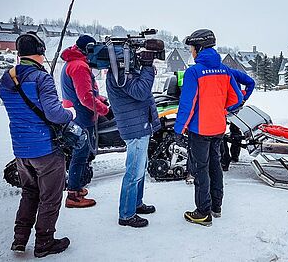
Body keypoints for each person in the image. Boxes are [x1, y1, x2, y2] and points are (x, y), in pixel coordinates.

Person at [0, 32, 73, 258]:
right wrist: (69, 112)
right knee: (50, 196)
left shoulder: (6, 79)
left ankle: (19, 240)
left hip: (21, 149)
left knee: (29, 193)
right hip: (45, 149)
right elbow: (54, 114)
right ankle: (44, 243)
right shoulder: (42, 78)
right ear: (40, 52)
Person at [174, 29, 242, 226]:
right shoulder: (225, 70)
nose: (191, 52)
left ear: (199, 48)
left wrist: (179, 130)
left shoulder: (193, 72)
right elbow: (236, 99)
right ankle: (216, 206)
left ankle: (203, 212)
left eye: (192, 48)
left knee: (200, 169)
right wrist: (219, 109)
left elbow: (187, 105)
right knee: (215, 166)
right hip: (219, 128)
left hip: (200, 130)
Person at [106, 48, 161, 228]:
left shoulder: (123, 72)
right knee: (133, 172)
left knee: (140, 168)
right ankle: (127, 215)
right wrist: (147, 68)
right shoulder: (120, 74)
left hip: (139, 125)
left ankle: (136, 203)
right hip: (135, 128)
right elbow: (141, 92)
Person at [61, 35, 109, 208]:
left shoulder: (72, 62)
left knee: (81, 154)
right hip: (82, 117)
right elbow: (85, 98)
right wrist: (105, 110)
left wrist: (100, 98)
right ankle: (73, 195)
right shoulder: (79, 66)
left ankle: (77, 187)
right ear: (88, 49)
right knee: (80, 155)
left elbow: (84, 92)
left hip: (75, 114)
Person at [221, 69, 255, 171]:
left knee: (220, 133)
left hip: (224, 106)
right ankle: (234, 156)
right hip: (235, 104)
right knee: (235, 129)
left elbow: (251, 82)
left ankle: (224, 161)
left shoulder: (227, 73)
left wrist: (244, 98)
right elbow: (251, 82)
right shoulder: (232, 72)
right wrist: (244, 98)